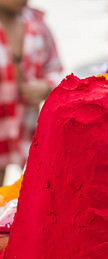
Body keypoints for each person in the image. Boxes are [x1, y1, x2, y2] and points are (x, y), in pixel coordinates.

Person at [0, 0, 62, 184]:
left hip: (28, 127)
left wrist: (46, 87)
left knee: (39, 190)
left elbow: (55, 68)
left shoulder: (37, 24)